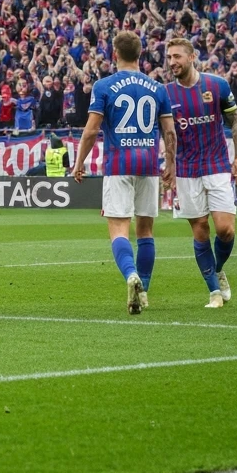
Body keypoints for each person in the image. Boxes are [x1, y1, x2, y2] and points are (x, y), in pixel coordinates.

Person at [73, 31, 177, 315]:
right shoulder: (158, 88)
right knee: (146, 230)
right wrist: (171, 165)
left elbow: (92, 129)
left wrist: (80, 161)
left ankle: (131, 275)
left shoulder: (104, 86)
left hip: (118, 164)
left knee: (119, 229)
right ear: (140, 54)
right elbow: (169, 131)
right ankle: (144, 290)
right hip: (148, 164)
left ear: (115, 55)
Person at [164, 35, 237, 309]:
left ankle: (218, 268)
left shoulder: (217, 85)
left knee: (225, 229)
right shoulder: (166, 93)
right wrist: (170, 166)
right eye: (169, 57)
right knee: (200, 230)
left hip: (217, 165)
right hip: (187, 170)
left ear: (191, 57)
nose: (172, 62)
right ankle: (213, 292)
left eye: (177, 56)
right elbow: (167, 134)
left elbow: (235, 121)